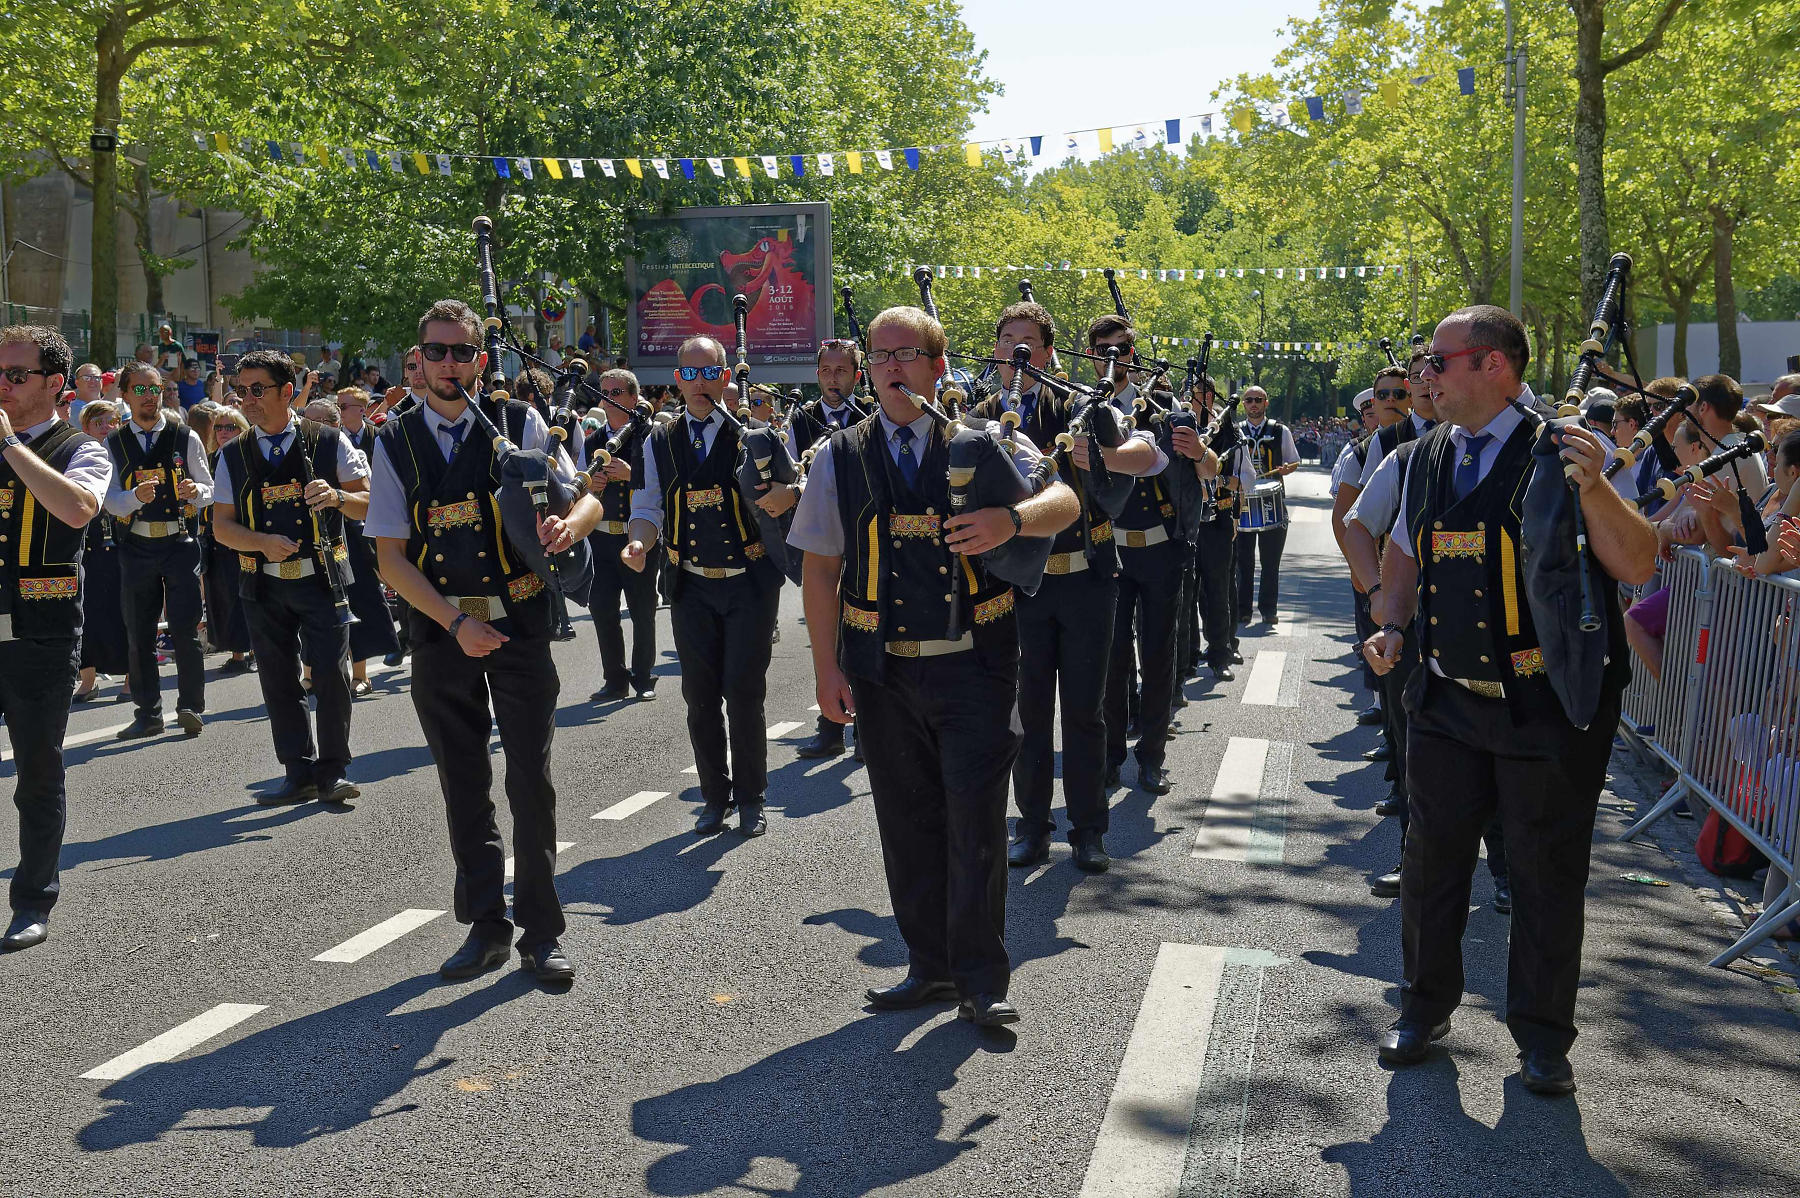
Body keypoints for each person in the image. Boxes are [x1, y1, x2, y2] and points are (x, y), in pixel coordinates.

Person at [1363, 304, 1657, 1094]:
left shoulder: (1564, 453)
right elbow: (1400, 553)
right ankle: (1423, 1008)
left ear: (1493, 365)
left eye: (1439, 359)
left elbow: (1637, 564)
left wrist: (1596, 487)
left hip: (1545, 706)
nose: (1424, 373)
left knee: (1544, 873)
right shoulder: (1424, 456)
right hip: (1445, 700)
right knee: (1432, 863)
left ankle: (1543, 1038)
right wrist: (1389, 625)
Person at [788, 304, 1079, 1026]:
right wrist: (826, 670)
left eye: (906, 355)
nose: (890, 368)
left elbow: (1068, 500)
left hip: (976, 665)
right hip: (882, 671)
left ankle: (982, 978)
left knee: (975, 822)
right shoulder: (840, 454)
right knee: (907, 822)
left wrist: (1010, 520)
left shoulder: (983, 443)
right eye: (879, 356)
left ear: (938, 366)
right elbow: (821, 570)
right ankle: (930, 967)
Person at [366, 299, 600, 984]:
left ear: (481, 357)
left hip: (523, 624)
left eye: (460, 352)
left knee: (532, 780)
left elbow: (583, 497)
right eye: (434, 352)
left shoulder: (519, 421)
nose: (447, 365)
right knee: (462, 779)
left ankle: (542, 931)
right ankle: (486, 925)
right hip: (443, 633)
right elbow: (389, 556)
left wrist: (569, 529)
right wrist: (454, 622)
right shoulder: (393, 439)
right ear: (417, 360)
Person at [994, 308, 1168, 871]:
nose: (1018, 353)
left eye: (1030, 344)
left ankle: (1089, 829)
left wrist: (1107, 455)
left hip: (1087, 581)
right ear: (996, 350)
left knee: (1086, 713)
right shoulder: (979, 414)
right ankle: (1032, 825)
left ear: (1047, 353)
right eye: (1008, 342)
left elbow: (1152, 452)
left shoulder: (1079, 407)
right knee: (1029, 711)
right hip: (1021, 590)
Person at [623, 336, 792, 838]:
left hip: (749, 584)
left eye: (710, 373)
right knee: (699, 696)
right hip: (691, 585)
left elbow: (791, 489)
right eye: (689, 375)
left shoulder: (756, 436)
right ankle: (714, 799)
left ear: (727, 376)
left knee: (744, 693)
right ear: (677, 381)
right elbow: (647, 507)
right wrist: (637, 544)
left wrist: (788, 492)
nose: (700, 384)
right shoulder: (658, 439)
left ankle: (752, 799)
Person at [209, 353, 370, 805]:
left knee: (332, 676)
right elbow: (222, 525)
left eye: (258, 389)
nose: (248, 400)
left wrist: (337, 496)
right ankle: (297, 771)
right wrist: (259, 542)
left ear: (287, 391)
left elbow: (371, 503)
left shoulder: (329, 442)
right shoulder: (232, 454)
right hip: (262, 583)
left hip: (322, 580)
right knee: (278, 680)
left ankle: (333, 771)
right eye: (242, 390)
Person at [0, 324, 116, 952]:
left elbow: (76, 510)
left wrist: (11, 446)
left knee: (37, 771)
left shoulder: (82, 448)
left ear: (53, 384)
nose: (4, 387)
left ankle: (32, 901)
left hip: (41, 635)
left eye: (16, 376)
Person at [101, 362, 213, 739]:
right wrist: (133, 497)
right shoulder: (113, 442)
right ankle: (148, 713)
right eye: (142, 389)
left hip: (180, 542)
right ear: (125, 394)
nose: (151, 396)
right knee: (140, 632)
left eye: (157, 388)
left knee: (185, 629)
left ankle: (190, 706)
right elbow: (108, 500)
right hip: (136, 544)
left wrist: (197, 494)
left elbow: (209, 487)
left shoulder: (185, 436)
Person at [791, 338, 873, 761]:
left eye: (842, 371)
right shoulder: (800, 418)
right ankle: (830, 728)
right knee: (828, 629)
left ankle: (866, 727)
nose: (833, 378)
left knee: (860, 629)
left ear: (857, 376)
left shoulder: (871, 417)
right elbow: (789, 470)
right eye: (826, 370)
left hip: (864, 535)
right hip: (822, 535)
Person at [583, 368, 659, 702]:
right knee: (603, 611)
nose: (609, 401)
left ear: (633, 398)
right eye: (604, 394)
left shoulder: (651, 436)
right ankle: (614, 679)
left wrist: (631, 474)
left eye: (616, 394)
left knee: (642, 611)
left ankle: (643, 678)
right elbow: (582, 496)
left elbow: (663, 487)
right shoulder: (593, 440)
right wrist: (592, 487)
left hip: (637, 537)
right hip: (601, 538)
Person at [331, 388, 399, 694]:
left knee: (387, 580)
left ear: (362, 408)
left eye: (346, 406)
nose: (341, 411)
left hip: (376, 518)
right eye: (339, 406)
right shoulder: (328, 441)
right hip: (339, 527)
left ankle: (402, 638)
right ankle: (318, 673)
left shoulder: (379, 435)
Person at [75, 401, 130, 701]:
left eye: (114, 422)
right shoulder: (78, 456)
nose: (108, 428)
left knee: (125, 612)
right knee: (87, 614)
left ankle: (131, 679)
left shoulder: (125, 454)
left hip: (122, 543)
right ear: (86, 427)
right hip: (88, 545)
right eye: (100, 423)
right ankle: (88, 681)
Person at [1234, 386, 1300, 625]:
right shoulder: (1235, 431)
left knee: (1271, 561)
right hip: (1243, 502)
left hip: (1272, 500)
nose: (1253, 404)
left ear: (1265, 403)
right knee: (1243, 561)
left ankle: (1268, 609)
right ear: (1243, 404)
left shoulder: (1279, 431)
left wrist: (1286, 468)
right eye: (1249, 400)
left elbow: (1294, 461)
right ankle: (1243, 609)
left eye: (1258, 400)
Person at [202, 405, 255, 674]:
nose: (223, 432)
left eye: (230, 427)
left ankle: (253, 650)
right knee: (224, 595)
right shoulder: (210, 458)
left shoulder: (248, 456)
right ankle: (237, 652)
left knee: (248, 594)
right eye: (219, 427)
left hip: (244, 534)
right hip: (215, 538)